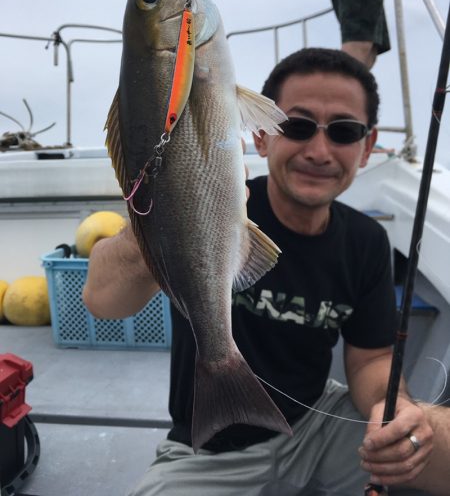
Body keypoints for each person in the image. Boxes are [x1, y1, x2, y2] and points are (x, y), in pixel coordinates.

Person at [83, 48, 450, 495]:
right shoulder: (203, 212)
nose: (319, 151)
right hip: (208, 451)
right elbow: (102, 302)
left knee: (435, 437)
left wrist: (395, 409)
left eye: (344, 131)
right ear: (260, 135)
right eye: (296, 126)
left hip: (316, 422)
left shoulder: (367, 241)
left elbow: (371, 358)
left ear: (367, 148)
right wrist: (157, 208)